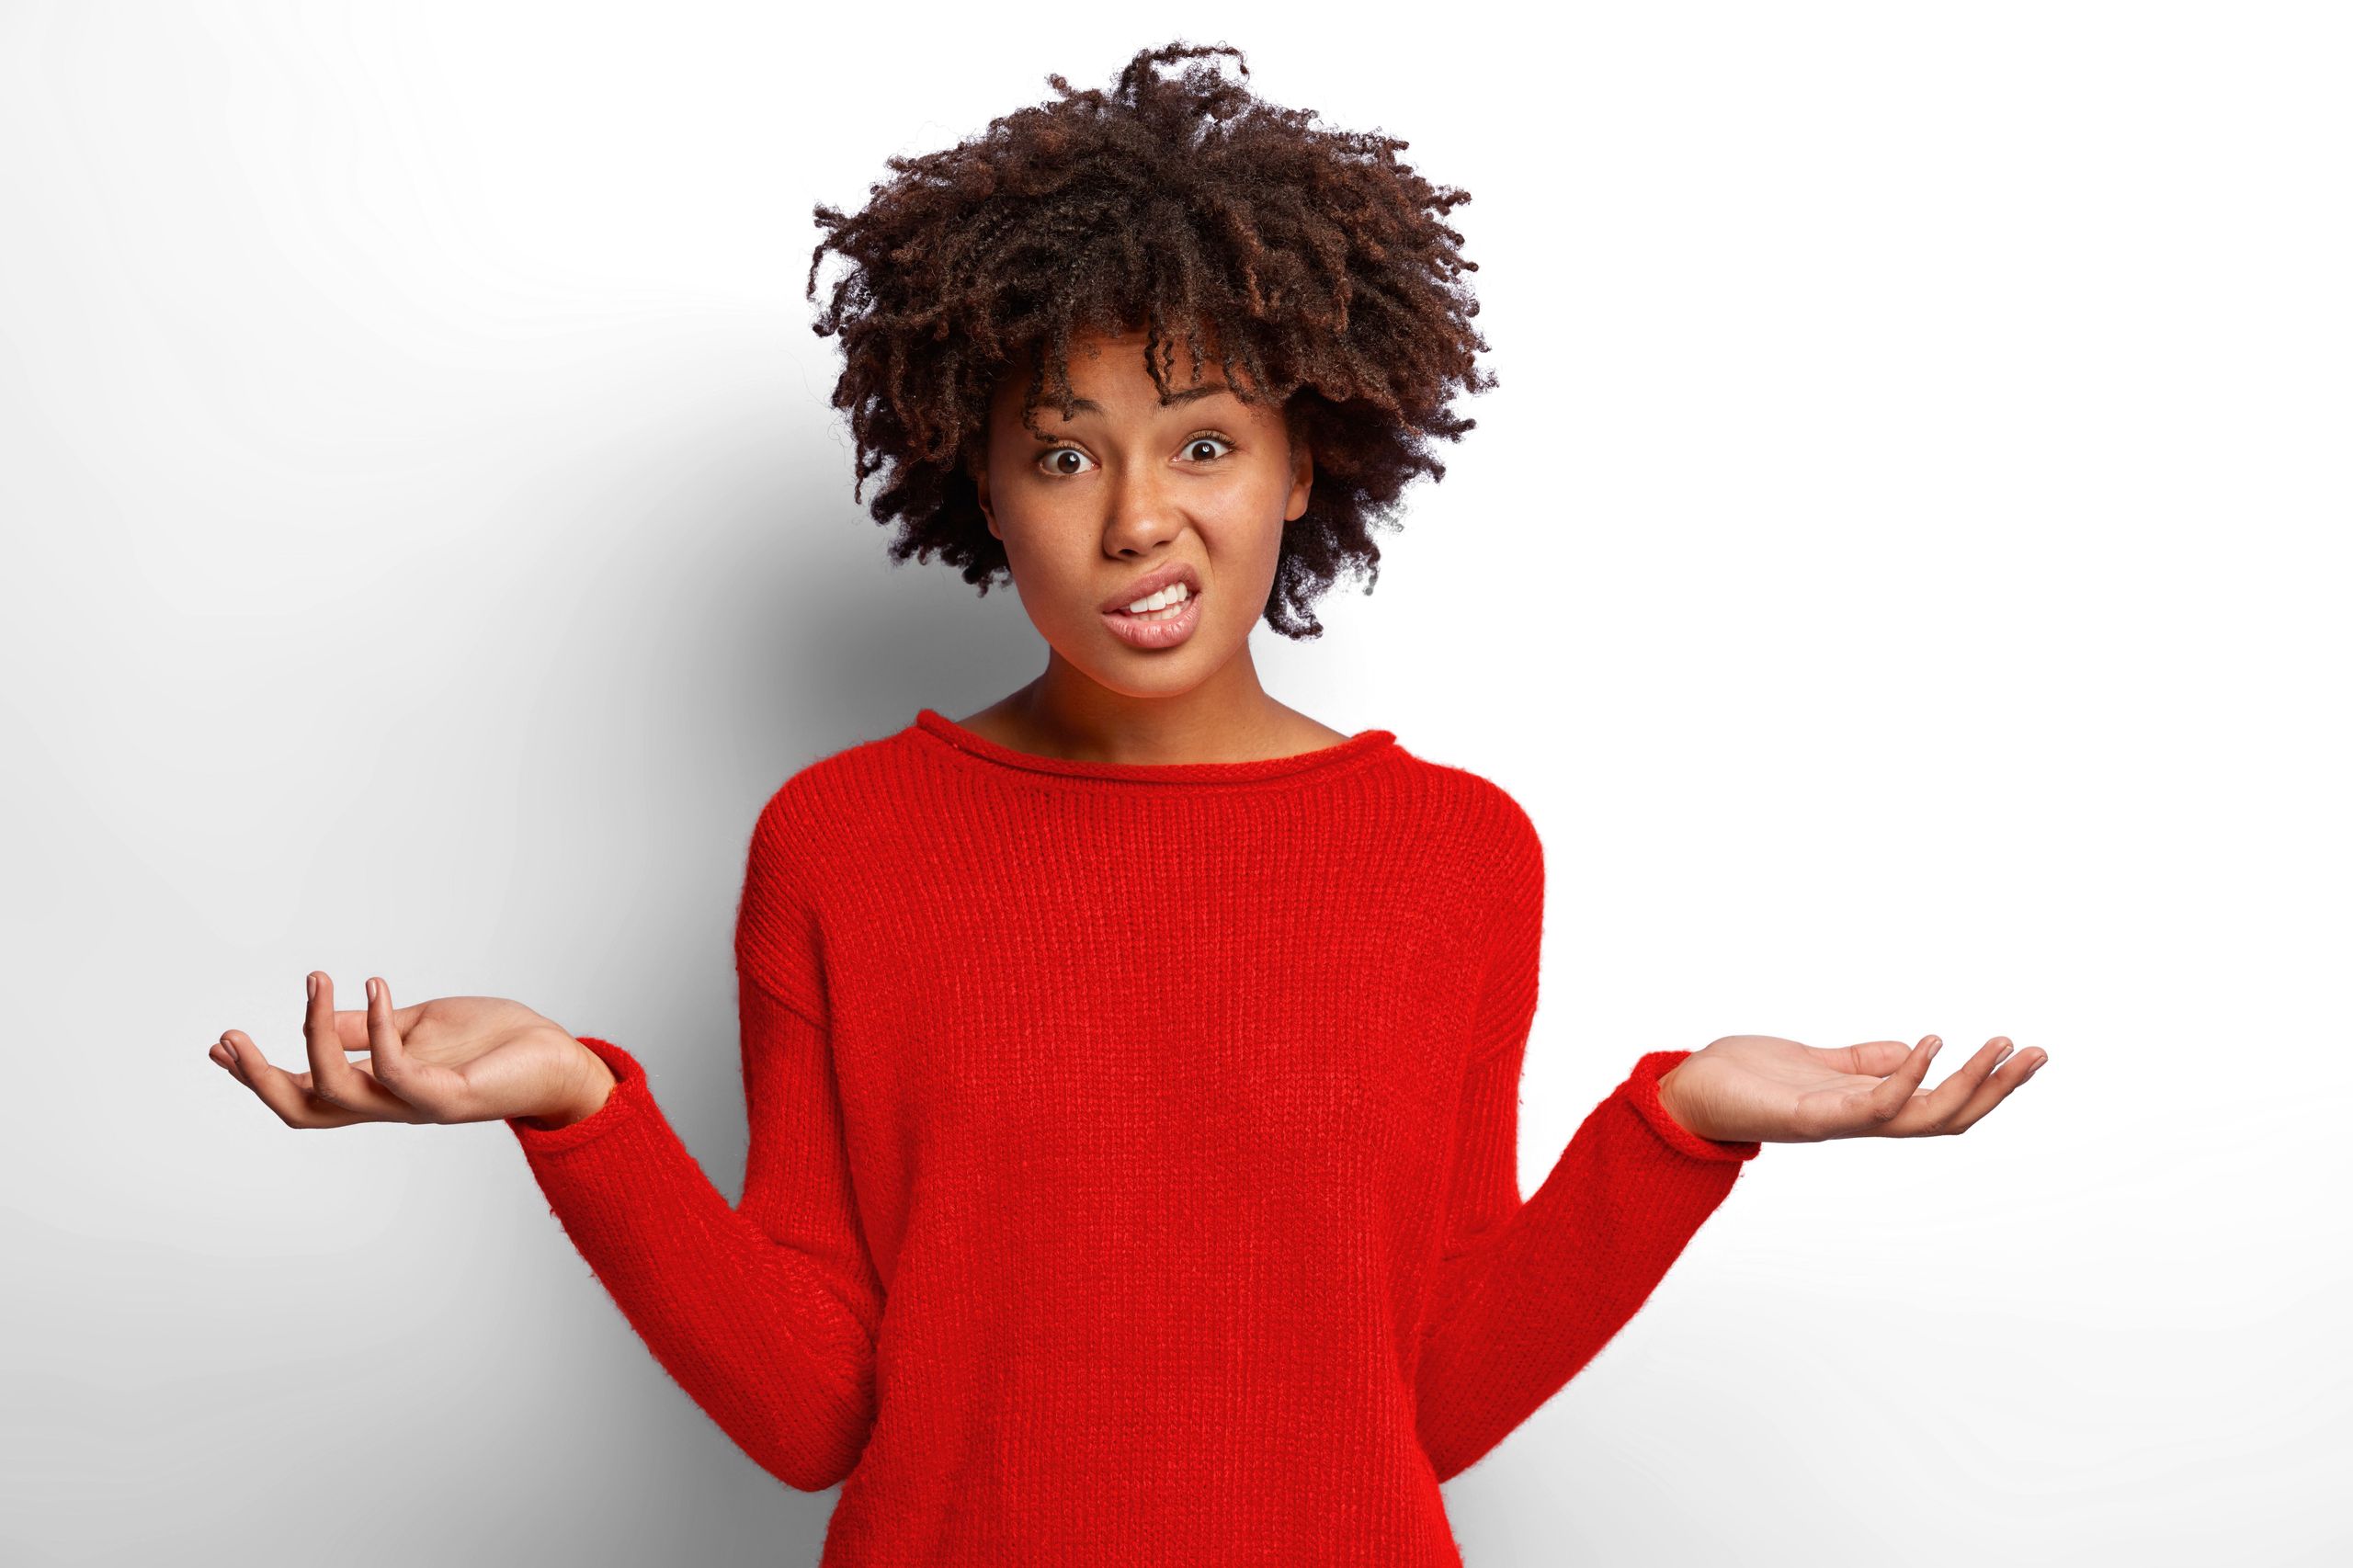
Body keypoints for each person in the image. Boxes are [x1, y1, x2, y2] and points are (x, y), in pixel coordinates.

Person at [203, 40, 2046, 1566]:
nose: (1135, 517)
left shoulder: (1455, 857)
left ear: (1303, 459)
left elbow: (1419, 1401)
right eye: (1063, 449)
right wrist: (578, 1105)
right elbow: (812, 1410)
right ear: (980, 483)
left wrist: (1679, 1130)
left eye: (1204, 440)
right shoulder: (842, 843)